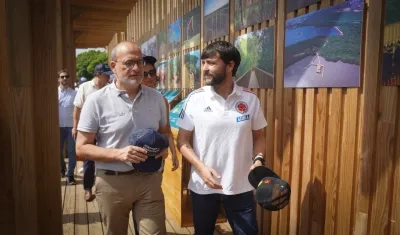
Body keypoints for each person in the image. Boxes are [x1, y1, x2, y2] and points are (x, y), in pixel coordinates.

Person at [76, 41, 169, 235]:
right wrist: (120, 154)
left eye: (140, 62)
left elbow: (164, 131)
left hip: (150, 180)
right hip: (112, 182)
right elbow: (82, 148)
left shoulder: (157, 98)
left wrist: (164, 147)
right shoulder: (96, 101)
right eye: (129, 63)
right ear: (113, 66)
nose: (136, 68)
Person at [176, 41, 267, 235]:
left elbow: (259, 136)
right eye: (203, 63)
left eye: (210, 63)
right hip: (203, 186)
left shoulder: (250, 99)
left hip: (240, 185)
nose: (204, 69)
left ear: (230, 65)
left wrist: (258, 160)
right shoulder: (195, 99)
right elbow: (182, 141)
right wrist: (200, 168)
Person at [73, 63, 113, 202]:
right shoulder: (84, 87)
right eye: (106, 75)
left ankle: (106, 189)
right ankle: (88, 189)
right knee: (89, 161)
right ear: (98, 74)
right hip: (88, 130)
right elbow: (77, 109)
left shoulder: (110, 88)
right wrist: (75, 127)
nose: (109, 77)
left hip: (106, 129)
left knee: (107, 157)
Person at [142, 55, 179, 171]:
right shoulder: (128, 99)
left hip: (155, 160)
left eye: (152, 73)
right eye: (144, 74)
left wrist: (173, 152)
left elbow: (166, 130)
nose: (149, 77)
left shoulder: (161, 99)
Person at [58, 69, 77, 185]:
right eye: (62, 76)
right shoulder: (53, 92)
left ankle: (70, 175)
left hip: (71, 127)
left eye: (67, 76)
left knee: (72, 152)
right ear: (58, 79)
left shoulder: (74, 93)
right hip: (58, 127)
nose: (65, 79)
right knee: (58, 151)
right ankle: (62, 169)